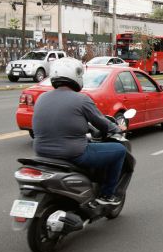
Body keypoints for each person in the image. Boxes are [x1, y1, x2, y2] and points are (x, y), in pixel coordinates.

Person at [32, 58, 127, 205]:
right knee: (119, 150)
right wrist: (117, 129)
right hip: (72, 154)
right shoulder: (81, 99)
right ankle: (107, 195)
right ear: (75, 76)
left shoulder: (41, 98)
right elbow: (102, 123)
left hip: (41, 153)